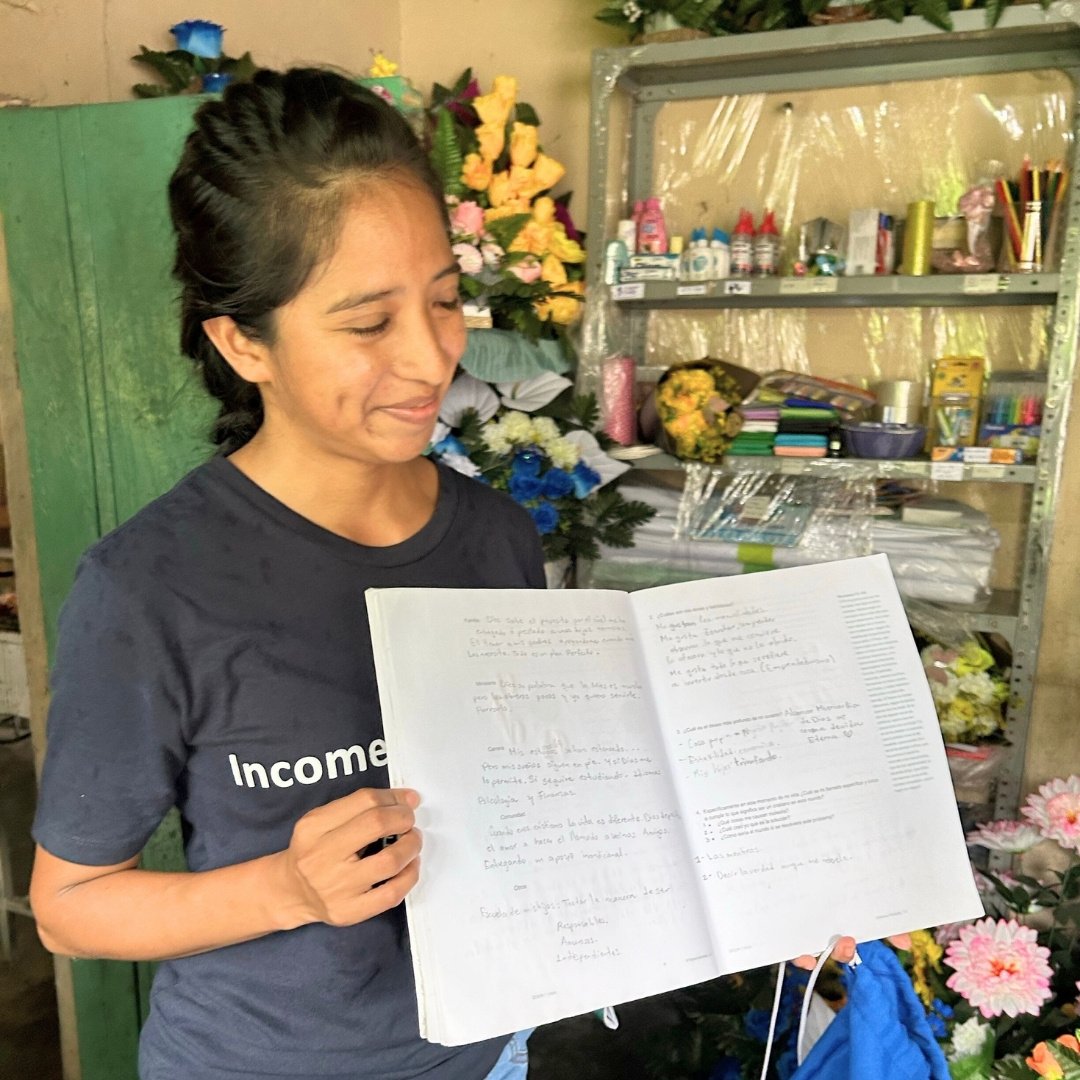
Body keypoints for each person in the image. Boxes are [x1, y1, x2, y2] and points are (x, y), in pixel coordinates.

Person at [29, 68, 543, 1080]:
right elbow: (69, 908)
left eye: (444, 301)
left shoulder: (495, 539)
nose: (431, 359)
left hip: (486, 1059)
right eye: (367, 324)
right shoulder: (149, 589)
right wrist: (289, 891)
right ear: (241, 342)